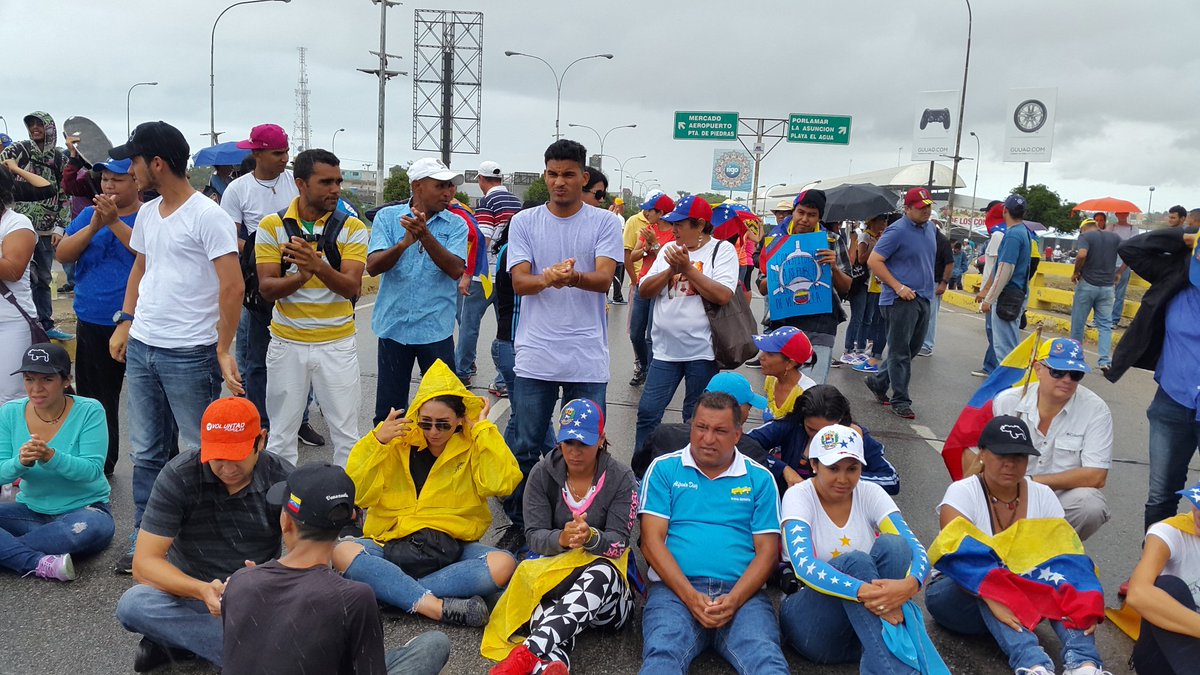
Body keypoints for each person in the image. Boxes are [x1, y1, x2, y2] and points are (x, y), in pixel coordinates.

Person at [107, 121, 244, 573]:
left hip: (190, 353)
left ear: (157, 163)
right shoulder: (148, 213)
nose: (131, 170)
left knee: (195, 451)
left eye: (135, 161)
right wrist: (126, 322)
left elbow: (232, 287)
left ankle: (193, 537)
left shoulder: (208, 216)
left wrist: (223, 349)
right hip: (145, 346)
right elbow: (140, 269)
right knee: (146, 451)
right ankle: (146, 533)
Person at [501, 140, 623, 551]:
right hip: (536, 354)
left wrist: (569, 278)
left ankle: (587, 527)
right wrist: (548, 278)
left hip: (586, 357)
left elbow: (605, 278)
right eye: (552, 173)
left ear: (584, 177)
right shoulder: (525, 222)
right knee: (526, 443)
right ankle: (524, 523)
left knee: (588, 446)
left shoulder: (605, 222)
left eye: (568, 174)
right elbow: (520, 282)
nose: (559, 182)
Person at [335, 359, 522, 627]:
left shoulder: (474, 443)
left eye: (443, 424)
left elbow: (502, 483)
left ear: (460, 420)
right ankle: (435, 606)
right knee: (342, 551)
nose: (433, 432)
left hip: (450, 548)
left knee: (503, 563)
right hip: (393, 542)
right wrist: (376, 441)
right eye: (426, 423)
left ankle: (392, 594)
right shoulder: (396, 442)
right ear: (416, 416)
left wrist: (484, 431)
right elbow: (358, 493)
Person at [115, 397, 293, 671]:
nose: (227, 468)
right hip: (190, 594)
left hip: (257, 596)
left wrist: (267, 581)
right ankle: (245, 653)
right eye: (218, 457)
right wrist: (202, 590)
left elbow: (306, 554)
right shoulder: (180, 475)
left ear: (261, 440)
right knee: (133, 603)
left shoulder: (283, 478)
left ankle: (182, 642)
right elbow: (144, 564)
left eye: (237, 456)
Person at [223, 462, 451, 675]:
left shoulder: (241, 580)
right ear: (345, 524)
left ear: (286, 522)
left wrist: (248, 582)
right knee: (433, 644)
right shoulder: (355, 598)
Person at [926, 415, 1107, 675]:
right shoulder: (962, 491)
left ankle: (1084, 662)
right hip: (957, 595)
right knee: (993, 579)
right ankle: (1033, 663)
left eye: (1019, 456)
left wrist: (1083, 603)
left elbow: (1066, 558)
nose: (1010, 464)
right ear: (983, 454)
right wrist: (992, 594)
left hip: (1019, 592)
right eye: (1002, 455)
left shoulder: (1043, 495)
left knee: (1065, 574)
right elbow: (959, 559)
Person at [638, 392, 788, 674]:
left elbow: (768, 553)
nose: (708, 439)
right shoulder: (664, 469)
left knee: (767, 660)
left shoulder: (760, 478)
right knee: (662, 656)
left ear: (737, 434)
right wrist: (690, 596)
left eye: (720, 431)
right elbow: (650, 542)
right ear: (691, 425)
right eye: (701, 428)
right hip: (675, 591)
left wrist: (735, 599)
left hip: (743, 593)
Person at [485, 399, 638, 674]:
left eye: (584, 444)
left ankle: (526, 654)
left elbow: (619, 542)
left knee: (601, 571)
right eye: (568, 442)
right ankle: (548, 668)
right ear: (559, 439)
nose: (574, 452)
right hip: (556, 582)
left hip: (608, 600)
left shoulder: (621, 478)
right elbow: (533, 535)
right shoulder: (542, 474)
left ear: (601, 440)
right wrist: (562, 540)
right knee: (545, 603)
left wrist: (592, 538)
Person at [778, 423, 939, 673]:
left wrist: (910, 585)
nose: (843, 479)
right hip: (812, 628)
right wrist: (869, 593)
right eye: (833, 468)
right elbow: (804, 566)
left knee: (894, 545)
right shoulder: (798, 496)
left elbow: (915, 548)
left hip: (861, 628)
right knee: (856, 562)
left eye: (852, 469)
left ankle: (879, 653)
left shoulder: (870, 492)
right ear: (814, 465)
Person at [253, 149, 367, 467]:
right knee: (281, 436)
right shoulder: (272, 226)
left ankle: (346, 509)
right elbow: (266, 289)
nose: (335, 189)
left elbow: (351, 287)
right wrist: (302, 276)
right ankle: (281, 510)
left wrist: (316, 265)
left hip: (337, 344)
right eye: (326, 182)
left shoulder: (353, 228)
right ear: (301, 183)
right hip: (287, 343)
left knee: (346, 435)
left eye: (338, 181)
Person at [1101, 226, 1200, 531]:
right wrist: (1184, 235)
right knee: (1161, 496)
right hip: (1172, 401)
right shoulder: (1177, 272)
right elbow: (1131, 249)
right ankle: (1152, 568)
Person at [633, 196, 739, 455]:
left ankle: (689, 469)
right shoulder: (669, 250)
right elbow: (644, 289)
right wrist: (670, 270)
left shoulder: (721, 251)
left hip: (702, 351)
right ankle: (641, 469)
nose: (674, 229)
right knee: (648, 412)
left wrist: (688, 269)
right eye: (673, 223)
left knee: (695, 419)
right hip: (664, 351)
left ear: (700, 224)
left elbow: (723, 295)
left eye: (680, 224)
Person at [0, 343, 113, 581]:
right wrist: (20, 462)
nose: (36, 388)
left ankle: (10, 552)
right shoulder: (10, 412)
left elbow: (92, 471)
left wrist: (51, 456)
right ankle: (39, 562)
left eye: (47, 380)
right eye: (29, 379)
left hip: (85, 511)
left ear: (66, 380)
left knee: (91, 529)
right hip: (30, 511)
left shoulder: (90, 410)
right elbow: (2, 473)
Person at [367, 157, 467, 423]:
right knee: (390, 412)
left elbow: (456, 269)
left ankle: (440, 461)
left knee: (445, 408)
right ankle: (392, 461)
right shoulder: (388, 218)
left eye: (451, 186)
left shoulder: (456, 224)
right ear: (417, 186)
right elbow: (374, 266)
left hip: (435, 330)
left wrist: (425, 235)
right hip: (394, 327)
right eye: (441, 186)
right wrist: (403, 244)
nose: (448, 192)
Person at [55, 157, 139, 476]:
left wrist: (115, 222)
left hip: (136, 321)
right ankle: (101, 464)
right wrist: (94, 225)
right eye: (104, 179)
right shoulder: (91, 214)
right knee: (96, 401)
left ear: (136, 181)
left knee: (147, 401)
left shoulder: (148, 216)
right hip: (92, 318)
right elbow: (64, 254)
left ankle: (161, 465)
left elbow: (145, 252)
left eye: (117, 180)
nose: (108, 186)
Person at [985, 338, 1113, 540]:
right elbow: (984, 455)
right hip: (1009, 491)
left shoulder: (1096, 410)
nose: (1067, 380)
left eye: (1076, 374)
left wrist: (1031, 482)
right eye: (1058, 372)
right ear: (1038, 369)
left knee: (1092, 505)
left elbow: (1096, 475)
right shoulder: (1007, 402)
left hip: (1059, 496)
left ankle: (1053, 551)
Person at [221, 123, 300, 434]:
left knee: (298, 355)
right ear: (257, 153)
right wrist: (265, 252)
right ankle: (258, 421)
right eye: (278, 153)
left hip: (297, 275)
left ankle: (300, 420)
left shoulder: (296, 182)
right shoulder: (237, 189)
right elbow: (229, 236)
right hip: (256, 281)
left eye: (286, 152)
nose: (284, 158)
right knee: (257, 355)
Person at [757, 189, 852, 384]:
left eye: (812, 215)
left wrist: (833, 268)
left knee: (813, 388)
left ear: (819, 217)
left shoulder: (832, 241)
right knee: (781, 385)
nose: (804, 219)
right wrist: (777, 275)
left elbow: (846, 287)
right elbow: (762, 287)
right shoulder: (775, 240)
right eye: (801, 212)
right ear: (793, 211)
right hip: (783, 323)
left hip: (821, 323)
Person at [864, 188, 938, 420]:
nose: (926, 210)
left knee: (911, 349)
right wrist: (898, 286)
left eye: (928, 206)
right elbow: (874, 261)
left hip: (924, 297)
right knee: (899, 352)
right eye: (920, 207)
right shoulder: (896, 231)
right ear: (907, 209)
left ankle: (878, 381)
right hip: (899, 300)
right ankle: (900, 400)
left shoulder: (931, 229)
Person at [749, 383, 900, 496]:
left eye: (827, 432)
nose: (817, 438)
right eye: (811, 430)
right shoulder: (792, 425)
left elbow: (891, 479)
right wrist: (783, 469)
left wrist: (845, 478)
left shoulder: (855, 436)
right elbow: (743, 442)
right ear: (802, 420)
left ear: (841, 421)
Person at [0, 112, 70, 341]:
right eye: (30, 124)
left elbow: (61, 192)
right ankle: (30, 320)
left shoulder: (59, 158)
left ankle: (44, 323)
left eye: (39, 124)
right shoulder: (19, 150)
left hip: (45, 229)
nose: (34, 128)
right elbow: (3, 168)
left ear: (49, 127)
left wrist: (61, 227)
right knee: (25, 279)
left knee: (43, 278)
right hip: (15, 230)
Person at [1127, 480, 1200, 674]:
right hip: (1162, 656)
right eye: (1198, 503)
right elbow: (1137, 593)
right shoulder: (1170, 532)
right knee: (1167, 586)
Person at [624, 191, 675, 383]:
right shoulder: (649, 229)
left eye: (649, 211)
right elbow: (634, 255)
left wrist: (654, 243)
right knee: (636, 333)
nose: (646, 214)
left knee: (652, 335)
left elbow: (671, 258)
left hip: (661, 287)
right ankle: (643, 366)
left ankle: (653, 374)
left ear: (661, 212)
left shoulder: (674, 232)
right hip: (642, 284)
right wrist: (646, 247)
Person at [979, 194, 1035, 367]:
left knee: (1005, 350)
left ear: (1005, 210)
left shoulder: (1012, 236)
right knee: (1009, 346)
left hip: (1007, 295)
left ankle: (1010, 390)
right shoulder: (1024, 232)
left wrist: (989, 298)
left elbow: (1004, 270)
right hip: (1016, 293)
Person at [0, 168, 38, 404]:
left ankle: (13, 442)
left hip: (10, 323)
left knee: (11, 398)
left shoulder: (17, 223)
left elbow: (13, 270)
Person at [1069, 218, 1120, 370]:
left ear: (1083, 228)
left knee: (1078, 323)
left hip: (1087, 285)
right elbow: (1129, 254)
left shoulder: (1085, 237)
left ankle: (1076, 356)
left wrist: (1076, 271)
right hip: (1107, 287)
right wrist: (1119, 273)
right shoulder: (1115, 237)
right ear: (1096, 225)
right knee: (1105, 325)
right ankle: (1104, 360)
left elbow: (1082, 254)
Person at [851, 213, 891, 373]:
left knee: (872, 319)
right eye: (882, 220)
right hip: (865, 282)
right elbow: (861, 259)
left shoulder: (881, 236)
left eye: (886, 221)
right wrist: (876, 246)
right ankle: (858, 348)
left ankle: (869, 349)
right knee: (862, 317)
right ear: (873, 221)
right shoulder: (865, 237)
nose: (884, 223)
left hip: (877, 283)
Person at [972, 201, 1008, 377]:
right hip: (1000, 290)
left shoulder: (998, 235)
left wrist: (987, 293)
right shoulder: (1010, 233)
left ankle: (993, 368)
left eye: (987, 212)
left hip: (994, 291)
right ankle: (990, 365)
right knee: (996, 331)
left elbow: (995, 267)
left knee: (993, 331)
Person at [752, 326, 818, 421]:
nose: (761, 357)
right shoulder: (771, 380)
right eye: (764, 351)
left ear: (790, 363)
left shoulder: (807, 393)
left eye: (770, 354)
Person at [581, 168, 625, 304]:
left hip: (593, 308)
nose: (601, 200)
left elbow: (604, 279)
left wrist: (573, 278)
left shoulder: (608, 222)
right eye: (598, 194)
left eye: (604, 195)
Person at [919, 225, 955, 357]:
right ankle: (918, 343)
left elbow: (950, 263)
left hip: (935, 282)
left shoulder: (942, 241)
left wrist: (944, 283)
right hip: (921, 282)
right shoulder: (922, 238)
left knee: (930, 316)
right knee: (919, 315)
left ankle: (927, 345)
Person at [1109, 210, 1140, 328]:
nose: (1122, 215)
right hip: (1109, 264)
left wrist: (1122, 269)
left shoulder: (1133, 229)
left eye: (1124, 213)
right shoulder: (1111, 227)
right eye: (1119, 213)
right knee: (1104, 293)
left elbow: (1132, 249)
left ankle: (1114, 319)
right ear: (1116, 214)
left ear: (1127, 214)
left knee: (1119, 294)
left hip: (1124, 264)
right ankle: (1100, 318)